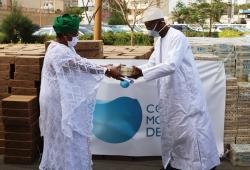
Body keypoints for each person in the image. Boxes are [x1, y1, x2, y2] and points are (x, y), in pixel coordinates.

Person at [128, 7, 220, 170]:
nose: (148, 29)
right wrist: (136, 71)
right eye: (146, 25)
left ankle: (201, 164)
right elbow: (153, 63)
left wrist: (143, 72)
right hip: (171, 94)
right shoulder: (159, 40)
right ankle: (180, 163)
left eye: (149, 25)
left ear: (159, 22)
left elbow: (171, 65)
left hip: (185, 94)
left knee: (192, 132)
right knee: (177, 132)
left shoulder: (177, 37)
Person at [39, 14, 121, 170]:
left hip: (59, 100)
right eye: (74, 33)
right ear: (64, 35)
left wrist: (105, 68)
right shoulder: (59, 52)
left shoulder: (61, 47)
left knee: (66, 138)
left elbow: (79, 63)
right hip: (57, 103)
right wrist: (106, 71)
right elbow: (79, 65)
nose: (77, 36)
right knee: (66, 138)